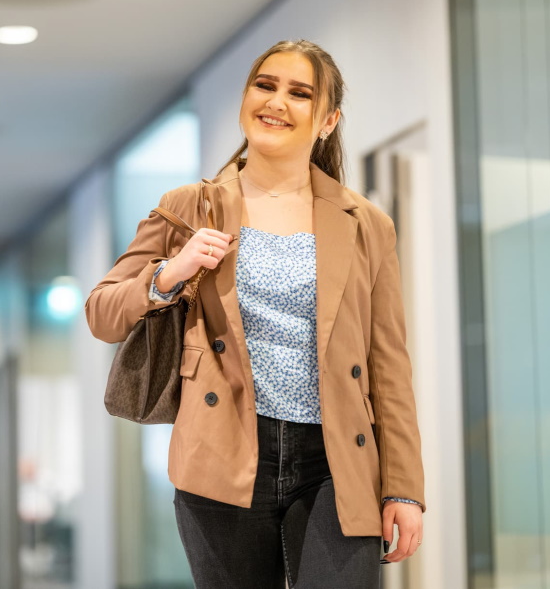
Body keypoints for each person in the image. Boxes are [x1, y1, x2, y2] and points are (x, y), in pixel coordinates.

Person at [85, 39, 425, 588]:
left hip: (335, 461)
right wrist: (170, 273)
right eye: (265, 85)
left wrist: (403, 487)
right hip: (223, 454)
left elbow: (388, 366)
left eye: (300, 93)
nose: (276, 102)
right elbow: (102, 312)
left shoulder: (365, 224)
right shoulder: (188, 207)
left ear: (327, 120)